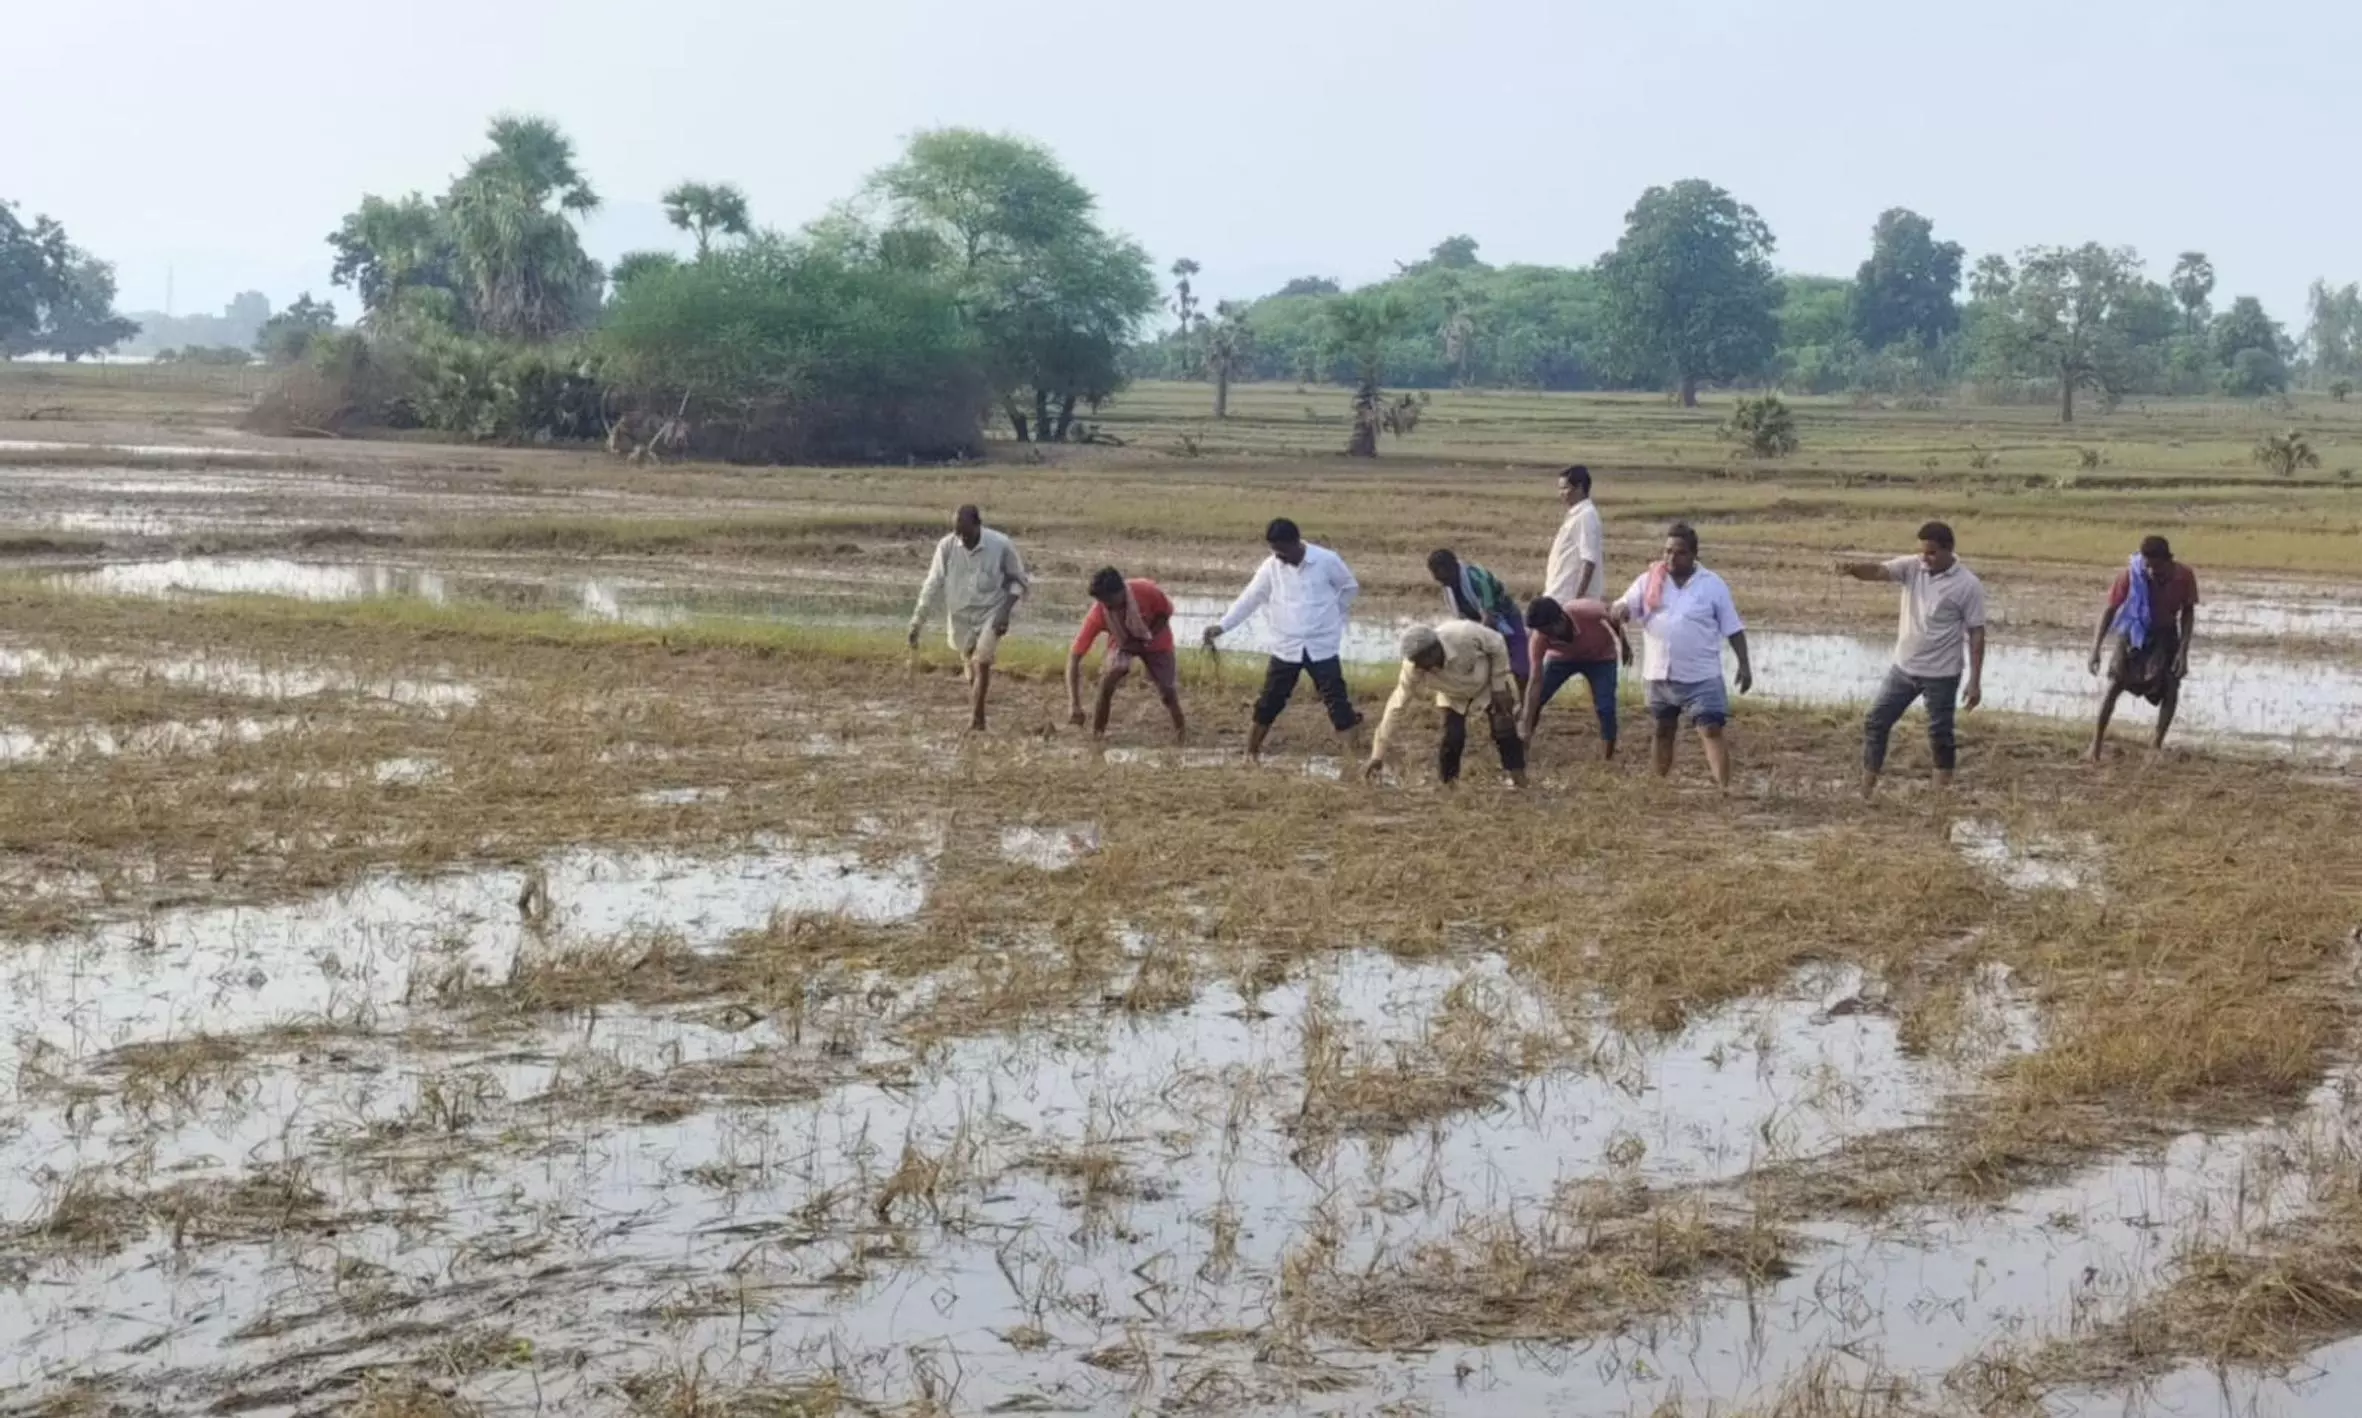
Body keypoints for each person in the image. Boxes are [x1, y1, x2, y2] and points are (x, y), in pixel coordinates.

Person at [1836, 521, 1987, 798]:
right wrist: (1854, 569)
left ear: (1948, 550)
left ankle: (1941, 797)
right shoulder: (1913, 567)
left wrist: (1975, 681)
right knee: (1876, 721)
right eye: (1922, 552)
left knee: (1940, 734)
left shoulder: (1968, 585)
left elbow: (1976, 633)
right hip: (1904, 668)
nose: (1925, 559)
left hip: (1942, 674)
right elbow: (1880, 571)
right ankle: (1865, 790)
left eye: (1931, 553)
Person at [1202, 518, 1363, 763]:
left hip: (1322, 646)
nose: (1280, 558)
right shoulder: (1271, 567)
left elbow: (1349, 588)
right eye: (1275, 552)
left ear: (1296, 542)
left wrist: (1334, 615)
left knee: (1337, 703)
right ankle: (1251, 753)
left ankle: (1352, 759)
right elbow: (1250, 598)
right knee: (1269, 701)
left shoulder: (1326, 561)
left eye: (1283, 552)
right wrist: (1222, 626)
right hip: (1286, 647)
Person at [1610, 523, 1752, 790]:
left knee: (1711, 729)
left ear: (1694, 555)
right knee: (1663, 729)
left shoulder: (1712, 585)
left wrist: (1744, 665)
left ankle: (1723, 789)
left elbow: (1733, 628)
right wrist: (1620, 610)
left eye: (1680, 553)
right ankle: (1658, 786)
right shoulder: (1650, 580)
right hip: (1659, 673)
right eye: (1667, 552)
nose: (1671, 559)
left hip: (1701, 675)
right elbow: (1625, 604)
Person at [907, 504, 1030, 731]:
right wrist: (917, 622)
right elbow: (932, 584)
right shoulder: (946, 547)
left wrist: (1005, 611)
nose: (961, 538)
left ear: (978, 525)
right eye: (957, 533)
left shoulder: (1000, 545)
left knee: (981, 661)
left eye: (966, 532)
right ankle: (978, 709)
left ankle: (977, 721)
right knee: (971, 671)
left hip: (992, 612)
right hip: (961, 617)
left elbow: (1019, 581)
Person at [1362, 622, 1527, 789]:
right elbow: (1396, 707)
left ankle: (1520, 781)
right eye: (1415, 662)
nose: (1419, 667)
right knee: (1452, 737)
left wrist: (1499, 686)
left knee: (1504, 730)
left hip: (1488, 685)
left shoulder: (1463, 634)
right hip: (1452, 695)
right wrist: (1377, 755)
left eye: (1422, 661)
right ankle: (1449, 787)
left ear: (1435, 650)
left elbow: (1497, 642)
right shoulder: (1413, 668)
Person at [2087, 534, 2199, 760]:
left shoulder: (2184, 576)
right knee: (2114, 684)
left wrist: (2183, 651)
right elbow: (2110, 610)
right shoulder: (2130, 576)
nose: (2151, 572)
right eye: (2147, 566)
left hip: (2165, 635)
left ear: (2169, 561)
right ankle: (2095, 745)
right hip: (2133, 633)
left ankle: (2156, 745)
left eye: (2157, 567)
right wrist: (2095, 649)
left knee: (2170, 687)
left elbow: (2188, 612)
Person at [1067, 567, 1185, 744]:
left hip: (1155, 638)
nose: (1108, 607)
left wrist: (1148, 637)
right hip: (1123, 642)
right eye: (1103, 603)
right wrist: (1074, 704)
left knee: (1167, 691)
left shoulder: (1147, 591)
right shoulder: (1100, 612)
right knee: (1107, 682)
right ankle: (1097, 736)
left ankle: (1181, 735)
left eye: (1110, 602)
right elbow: (1074, 657)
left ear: (1122, 590)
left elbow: (1165, 612)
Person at [1519, 594, 1631, 759]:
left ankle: (1608, 757)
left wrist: (1624, 645)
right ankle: (1524, 745)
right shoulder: (1539, 639)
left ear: (1561, 619)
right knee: (1538, 698)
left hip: (1601, 658)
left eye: (1548, 630)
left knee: (1606, 707)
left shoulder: (1584, 610)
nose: (1545, 635)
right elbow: (1535, 681)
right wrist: (1525, 725)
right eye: (1541, 631)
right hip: (1561, 659)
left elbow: (1613, 616)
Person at [1428, 548, 1530, 688]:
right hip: (1478, 624)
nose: (1438, 580)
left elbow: (1489, 617)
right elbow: (1461, 621)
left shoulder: (1477, 579)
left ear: (1451, 568)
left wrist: (1477, 643)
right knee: (1483, 671)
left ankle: (1527, 706)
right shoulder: (1448, 586)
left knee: (1520, 669)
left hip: (1505, 619)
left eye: (1439, 575)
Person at [1544, 464, 1606, 606]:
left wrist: (1577, 601)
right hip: (1559, 594)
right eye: (1560, 489)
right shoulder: (1576, 515)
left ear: (1579, 488)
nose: (1561, 493)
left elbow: (1588, 561)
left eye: (1565, 488)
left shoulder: (1586, 516)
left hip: (1567, 599)